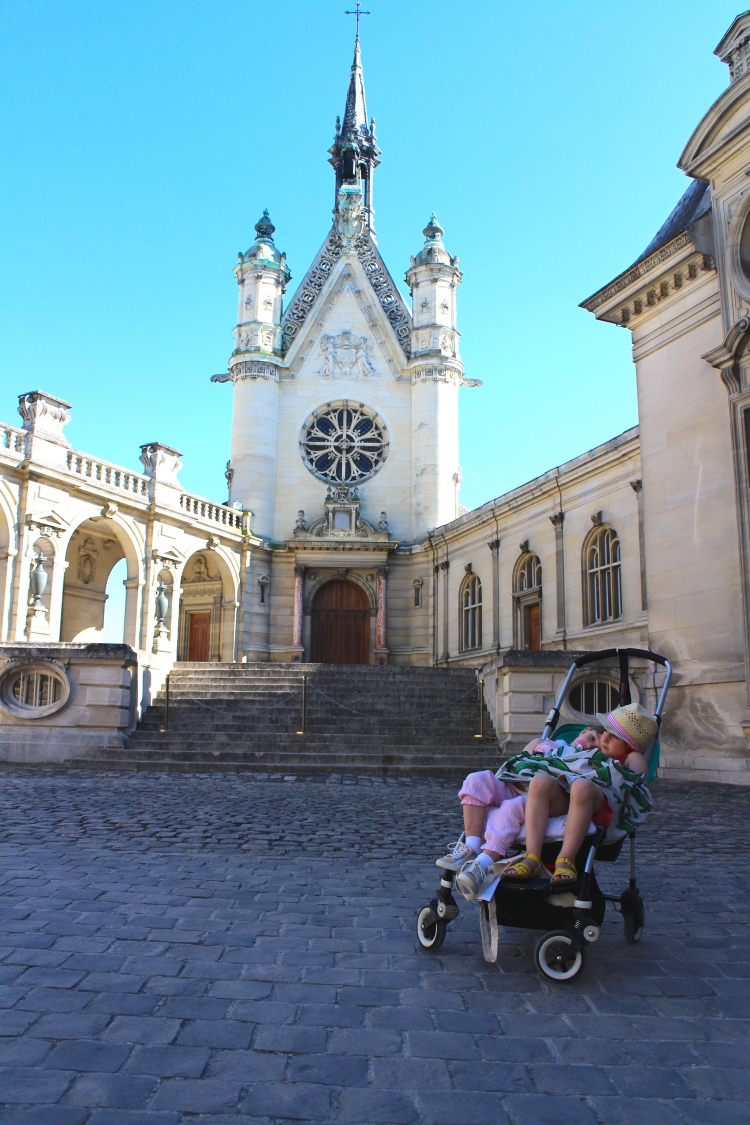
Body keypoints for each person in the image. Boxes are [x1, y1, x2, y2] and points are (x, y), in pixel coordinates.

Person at [497, 702, 656, 891]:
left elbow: (634, 786)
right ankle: (532, 856)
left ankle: (566, 858)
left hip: (597, 795)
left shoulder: (628, 759)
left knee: (582, 786)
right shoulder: (586, 748)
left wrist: (626, 760)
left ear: (629, 747)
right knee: (540, 781)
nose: (605, 738)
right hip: (566, 790)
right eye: (606, 731)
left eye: (615, 737)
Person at [438, 729, 602, 896]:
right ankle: (472, 845)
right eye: (591, 738)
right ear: (584, 731)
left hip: (540, 796)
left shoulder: (585, 759)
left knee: (511, 808)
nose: (589, 745)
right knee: (476, 780)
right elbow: (518, 761)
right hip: (515, 783)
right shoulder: (545, 744)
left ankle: (483, 863)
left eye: (595, 746)